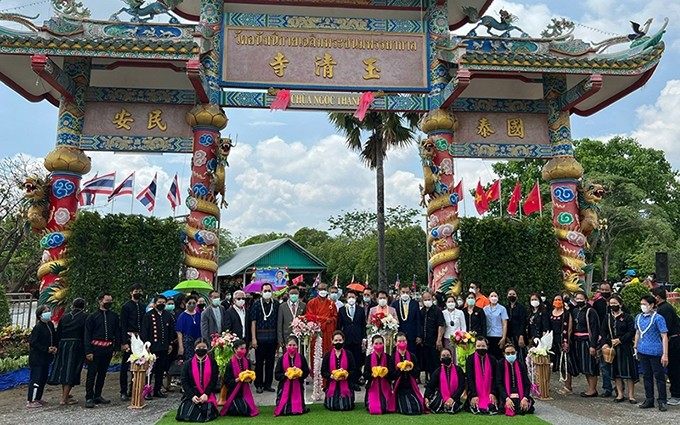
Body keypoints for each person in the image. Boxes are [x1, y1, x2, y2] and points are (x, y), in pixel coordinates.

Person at [48, 298, 87, 405]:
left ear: (72, 306)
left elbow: (58, 332)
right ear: (83, 307)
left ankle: (65, 394)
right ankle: (64, 398)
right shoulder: (84, 317)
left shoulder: (64, 317)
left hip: (63, 344)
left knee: (64, 369)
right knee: (71, 371)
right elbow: (85, 334)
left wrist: (57, 344)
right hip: (76, 345)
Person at [599, 294, 637, 403]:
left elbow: (631, 331)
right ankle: (620, 394)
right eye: (611, 304)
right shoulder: (608, 317)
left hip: (625, 346)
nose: (613, 306)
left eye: (615, 303)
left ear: (620, 304)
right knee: (616, 371)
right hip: (613, 347)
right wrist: (605, 343)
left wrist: (620, 340)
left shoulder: (627, 317)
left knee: (629, 371)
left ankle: (631, 395)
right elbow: (603, 331)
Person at [84, 292, 119, 408]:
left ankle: (98, 395)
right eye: (107, 301)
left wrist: (116, 347)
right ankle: (89, 397)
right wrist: (88, 351)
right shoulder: (92, 317)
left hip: (108, 348)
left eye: (110, 301)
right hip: (95, 348)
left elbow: (116, 332)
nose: (109, 303)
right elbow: (87, 335)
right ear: (100, 301)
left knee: (102, 373)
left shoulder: (113, 316)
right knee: (92, 374)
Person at [635, 294, 669, 411]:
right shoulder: (638, 317)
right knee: (646, 376)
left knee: (659, 376)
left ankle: (662, 400)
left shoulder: (658, 318)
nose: (643, 306)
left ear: (652, 305)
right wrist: (635, 346)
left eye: (645, 304)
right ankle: (649, 399)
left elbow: (664, 336)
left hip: (655, 351)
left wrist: (665, 354)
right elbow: (638, 333)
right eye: (642, 304)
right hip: (642, 350)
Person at [176, 338, 219, 422]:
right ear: (194, 348)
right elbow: (184, 382)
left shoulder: (212, 362)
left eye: (204, 347)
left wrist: (206, 394)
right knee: (185, 413)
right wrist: (192, 396)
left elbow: (214, 380)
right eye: (199, 347)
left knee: (206, 411)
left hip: (207, 394)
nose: (201, 349)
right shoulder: (187, 364)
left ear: (207, 348)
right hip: (192, 393)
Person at [141, 294, 175, 399]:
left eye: (163, 303)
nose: (161, 304)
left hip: (164, 347)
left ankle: (157, 390)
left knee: (160, 370)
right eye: (159, 302)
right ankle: (147, 390)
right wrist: (146, 344)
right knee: (149, 370)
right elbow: (144, 331)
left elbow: (170, 331)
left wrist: (170, 343)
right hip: (152, 347)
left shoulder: (168, 315)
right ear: (155, 303)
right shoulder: (148, 315)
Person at [651, 287, 680, 406]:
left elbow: (665, 329)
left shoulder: (665, 309)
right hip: (672, 339)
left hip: (674, 341)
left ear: (657, 297)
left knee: (674, 369)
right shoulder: (663, 308)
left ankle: (676, 394)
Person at [27, 305, 58, 408]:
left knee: (43, 378)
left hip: (46, 357)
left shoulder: (50, 325)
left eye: (49, 311)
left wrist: (54, 347)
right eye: (45, 311)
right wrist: (45, 349)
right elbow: (33, 342)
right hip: (37, 358)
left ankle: (38, 397)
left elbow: (54, 337)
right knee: (36, 378)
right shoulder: (38, 327)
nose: (48, 313)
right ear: (40, 315)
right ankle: (31, 400)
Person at [250, 283, 279, 394]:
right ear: (261, 292)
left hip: (272, 339)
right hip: (259, 339)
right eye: (265, 290)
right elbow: (253, 322)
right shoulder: (256, 305)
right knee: (259, 363)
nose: (267, 292)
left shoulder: (276, 304)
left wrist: (277, 340)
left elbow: (277, 322)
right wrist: (254, 338)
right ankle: (259, 384)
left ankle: (268, 384)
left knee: (270, 363)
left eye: (269, 290)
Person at [119, 283, 145, 401]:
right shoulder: (126, 307)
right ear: (131, 292)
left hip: (140, 339)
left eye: (139, 291)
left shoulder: (143, 306)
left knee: (140, 364)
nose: (138, 293)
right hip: (129, 337)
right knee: (125, 365)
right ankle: (123, 391)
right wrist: (124, 341)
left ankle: (135, 389)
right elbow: (123, 325)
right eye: (135, 291)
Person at [571, 290, 600, 397]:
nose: (579, 301)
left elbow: (595, 329)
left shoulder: (590, 311)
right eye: (577, 299)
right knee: (584, 366)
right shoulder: (575, 311)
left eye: (581, 299)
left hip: (587, 341)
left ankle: (593, 389)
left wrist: (593, 345)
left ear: (586, 300)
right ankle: (590, 387)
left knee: (590, 365)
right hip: (577, 341)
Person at [220, 339, 258, 417]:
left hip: (244, 391)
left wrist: (249, 378)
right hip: (234, 392)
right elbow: (227, 382)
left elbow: (250, 376)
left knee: (249, 410)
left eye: (245, 348)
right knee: (243, 410)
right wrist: (238, 379)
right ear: (235, 349)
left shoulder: (247, 361)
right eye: (241, 348)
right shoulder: (230, 364)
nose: (244, 350)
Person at [274, 336, 310, 416]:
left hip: (297, 385)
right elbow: (277, 375)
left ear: (297, 346)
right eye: (290, 345)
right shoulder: (281, 359)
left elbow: (306, 371)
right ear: (286, 346)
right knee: (284, 411)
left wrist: (299, 375)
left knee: (298, 410)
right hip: (284, 387)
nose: (292, 347)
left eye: (294, 345)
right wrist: (286, 375)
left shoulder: (301, 358)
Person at [336, 291, 365, 391]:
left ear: (356, 298)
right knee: (347, 360)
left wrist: (364, 337)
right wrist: (339, 338)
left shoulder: (360, 310)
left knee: (357, 361)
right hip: (346, 339)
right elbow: (339, 325)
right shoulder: (342, 310)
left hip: (357, 338)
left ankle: (355, 381)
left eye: (353, 296)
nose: (351, 298)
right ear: (346, 298)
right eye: (349, 297)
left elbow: (363, 324)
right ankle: (347, 381)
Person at [496, 342, 535, 416]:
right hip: (506, 394)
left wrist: (525, 398)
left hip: (519, 393)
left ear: (516, 353)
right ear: (504, 354)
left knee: (528, 407)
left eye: (512, 353)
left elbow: (527, 383)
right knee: (503, 406)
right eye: (508, 353)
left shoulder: (521, 364)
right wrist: (507, 398)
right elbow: (499, 383)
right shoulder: (500, 364)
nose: (510, 355)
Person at [321, 330, 356, 410]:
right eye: (336, 340)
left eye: (340, 340)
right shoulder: (327, 355)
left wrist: (346, 375)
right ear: (332, 341)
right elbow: (323, 372)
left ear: (343, 341)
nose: (338, 342)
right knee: (332, 406)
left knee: (347, 406)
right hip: (332, 383)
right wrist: (332, 376)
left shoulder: (349, 354)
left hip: (346, 383)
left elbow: (354, 370)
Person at [390, 332, 424, 415]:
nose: (402, 343)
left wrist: (409, 369)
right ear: (395, 343)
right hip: (399, 388)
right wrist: (400, 369)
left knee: (418, 408)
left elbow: (417, 374)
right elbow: (391, 376)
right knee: (407, 409)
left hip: (411, 386)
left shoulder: (412, 356)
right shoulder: (393, 357)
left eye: (404, 341)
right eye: (399, 341)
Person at [424, 347, 465, 414]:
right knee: (433, 405)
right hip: (441, 396)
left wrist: (452, 398)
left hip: (455, 397)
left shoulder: (458, 370)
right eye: (443, 356)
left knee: (453, 408)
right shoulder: (438, 371)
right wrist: (426, 397)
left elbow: (461, 386)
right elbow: (430, 386)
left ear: (451, 357)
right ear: (440, 358)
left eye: (448, 355)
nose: (446, 357)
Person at [306, 282, 338, 367]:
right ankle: (315, 374)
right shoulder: (311, 303)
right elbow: (310, 317)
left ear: (327, 291)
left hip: (328, 332)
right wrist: (325, 319)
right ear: (317, 290)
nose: (322, 291)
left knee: (328, 353)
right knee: (315, 354)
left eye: (324, 289)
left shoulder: (331, 304)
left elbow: (335, 318)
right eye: (320, 289)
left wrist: (330, 320)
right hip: (316, 332)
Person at [549, 293, 576, 395]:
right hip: (553, 340)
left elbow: (569, 329)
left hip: (563, 340)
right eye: (555, 299)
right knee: (552, 364)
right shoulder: (551, 312)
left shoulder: (566, 313)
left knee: (566, 364)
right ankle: (546, 385)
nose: (557, 301)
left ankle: (568, 386)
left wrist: (566, 341)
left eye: (559, 299)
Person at [466, 337, 498, 415]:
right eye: (479, 346)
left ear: (487, 346)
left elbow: (496, 378)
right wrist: (474, 394)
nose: (481, 348)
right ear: (475, 347)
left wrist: (493, 392)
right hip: (475, 391)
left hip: (490, 391)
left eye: (483, 346)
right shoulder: (470, 359)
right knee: (475, 405)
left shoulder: (492, 359)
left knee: (493, 405)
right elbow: (470, 378)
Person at [363, 334, 395, 415]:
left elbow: (392, 374)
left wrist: (385, 373)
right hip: (373, 386)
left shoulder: (388, 357)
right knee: (374, 408)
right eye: (376, 343)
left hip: (385, 385)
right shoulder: (368, 358)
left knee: (385, 408)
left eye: (380, 343)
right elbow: (365, 374)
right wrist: (373, 375)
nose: (378, 345)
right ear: (372, 345)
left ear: (383, 344)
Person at [593, 282, 614, 397]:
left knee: (617, 365)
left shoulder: (617, 302)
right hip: (603, 337)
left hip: (617, 338)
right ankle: (607, 388)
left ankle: (619, 388)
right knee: (604, 364)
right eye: (602, 290)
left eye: (607, 290)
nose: (605, 292)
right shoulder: (598, 304)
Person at [391, 285, 422, 359]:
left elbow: (418, 320)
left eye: (407, 292)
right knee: (400, 355)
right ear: (400, 293)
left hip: (412, 335)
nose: (405, 294)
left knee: (412, 355)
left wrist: (418, 335)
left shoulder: (414, 304)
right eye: (403, 292)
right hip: (400, 334)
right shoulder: (395, 304)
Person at [420, 291, 444, 382]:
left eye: (429, 299)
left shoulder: (437, 311)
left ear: (432, 299)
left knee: (435, 361)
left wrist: (439, 339)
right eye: (425, 300)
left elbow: (440, 325)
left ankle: (438, 380)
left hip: (434, 340)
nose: (427, 301)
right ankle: (430, 380)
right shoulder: (422, 311)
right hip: (425, 341)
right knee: (427, 362)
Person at [176, 295, 202, 364]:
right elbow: (179, 332)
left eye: (194, 303)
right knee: (189, 362)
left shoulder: (198, 314)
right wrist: (181, 346)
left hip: (198, 341)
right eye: (189, 303)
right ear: (186, 304)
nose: (192, 305)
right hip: (187, 342)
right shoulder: (182, 316)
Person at [483, 291, 508, 359]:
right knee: (488, 356)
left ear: (498, 298)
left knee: (498, 356)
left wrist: (503, 338)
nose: (493, 298)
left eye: (495, 296)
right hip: (488, 335)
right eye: (492, 296)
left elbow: (504, 324)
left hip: (498, 336)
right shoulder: (485, 309)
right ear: (488, 298)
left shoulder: (502, 309)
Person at [506, 288, 527, 361]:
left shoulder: (521, 308)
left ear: (517, 296)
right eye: (510, 294)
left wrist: (521, 335)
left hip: (518, 334)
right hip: (509, 335)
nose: (512, 296)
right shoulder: (506, 308)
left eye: (513, 294)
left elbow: (523, 322)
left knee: (520, 354)